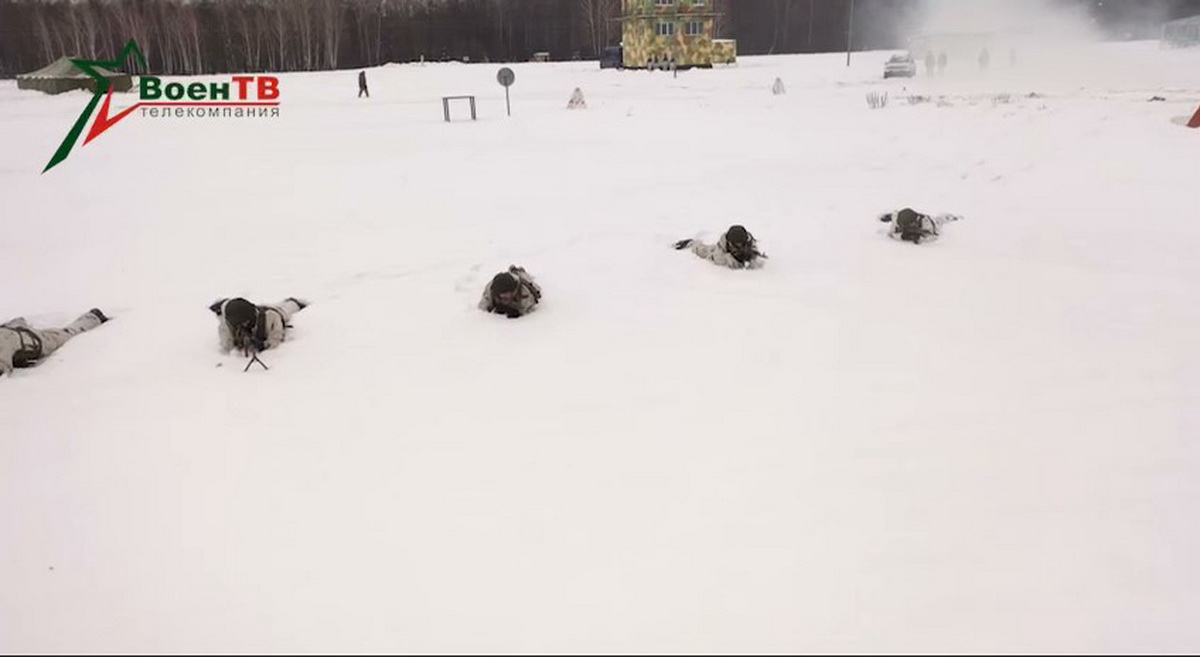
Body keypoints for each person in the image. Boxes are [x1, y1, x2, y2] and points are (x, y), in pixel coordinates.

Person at [0, 308, 109, 377]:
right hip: (15, 330)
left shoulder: (2, 344)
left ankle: (93, 317)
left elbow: (3, 370)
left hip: (37, 341)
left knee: (66, 334)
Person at [208, 297, 307, 355]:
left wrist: (263, 345)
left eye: (244, 323)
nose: (242, 326)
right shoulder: (228, 323)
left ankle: (294, 302)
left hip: (277, 311)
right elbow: (226, 346)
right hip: (248, 310)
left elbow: (275, 339)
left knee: (288, 308)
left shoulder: (272, 317)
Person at [673, 224, 767, 270]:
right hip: (714, 253)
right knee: (703, 250)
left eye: (741, 244)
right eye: (736, 244)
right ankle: (691, 243)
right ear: (730, 243)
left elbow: (757, 259)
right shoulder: (720, 255)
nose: (739, 246)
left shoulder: (749, 245)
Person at [878, 208, 961, 244]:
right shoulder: (897, 218)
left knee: (939, 221)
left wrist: (917, 237)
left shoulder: (927, 225)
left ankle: (947, 218)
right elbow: (891, 234)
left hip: (934, 223)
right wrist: (903, 236)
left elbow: (933, 236)